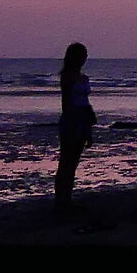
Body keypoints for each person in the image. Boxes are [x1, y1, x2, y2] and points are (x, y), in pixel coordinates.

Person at [54, 42, 95, 214]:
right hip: (72, 121)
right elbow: (67, 103)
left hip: (83, 119)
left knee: (73, 162)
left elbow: (85, 101)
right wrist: (75, 120)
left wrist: (89, 117)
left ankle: (67, 198)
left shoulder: (83, 77)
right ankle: (61, 200)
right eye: (82, 55)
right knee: (66, 162)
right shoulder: (68, 77)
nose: (84, 58)